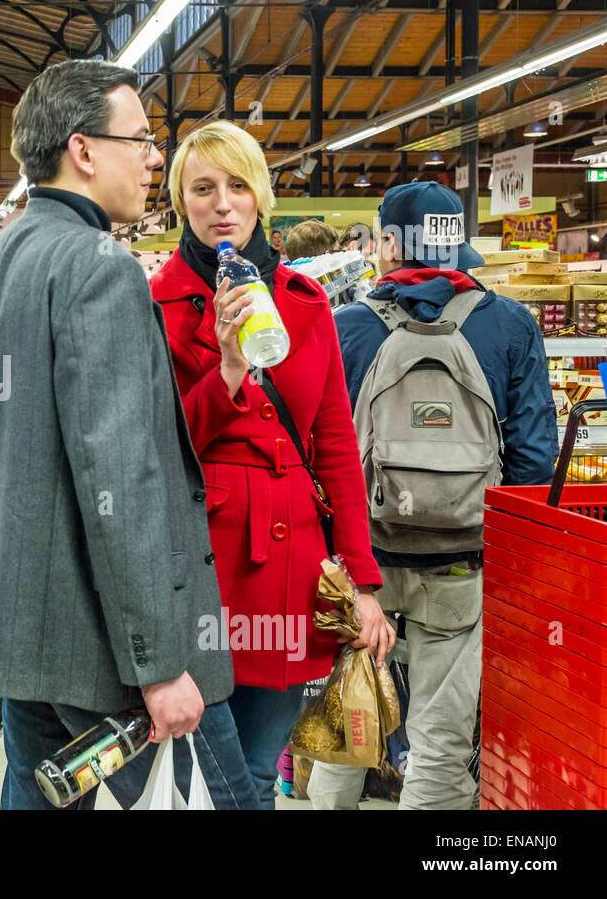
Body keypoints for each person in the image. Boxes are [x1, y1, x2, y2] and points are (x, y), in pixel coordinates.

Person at [0, 60, 259, 811]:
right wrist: (159, 665)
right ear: (83, 150)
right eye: (142, 140)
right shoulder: (99, 269)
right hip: (109, 656)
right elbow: (120, 478)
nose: (155, 158)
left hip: (22, 634)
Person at [148, 120, 395, 809]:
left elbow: (336, 449)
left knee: (256, 772)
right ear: (181, 202)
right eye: (202, 188)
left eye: (236, 185)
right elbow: (157, 448)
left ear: (260, 195)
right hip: (205, 567)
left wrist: (363, 581)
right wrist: (227, 368)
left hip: (294, 573)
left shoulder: (306, 302)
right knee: (208, 779)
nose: (221, 202)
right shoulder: (154, 306)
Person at [310, 181, 557, 810]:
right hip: (462, 567)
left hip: (362, 565)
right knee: (441, 745)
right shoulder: (509, 325)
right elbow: (533, 460)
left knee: (349, 724)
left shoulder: (345, 328)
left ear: (390, 244)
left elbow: (316, 452)